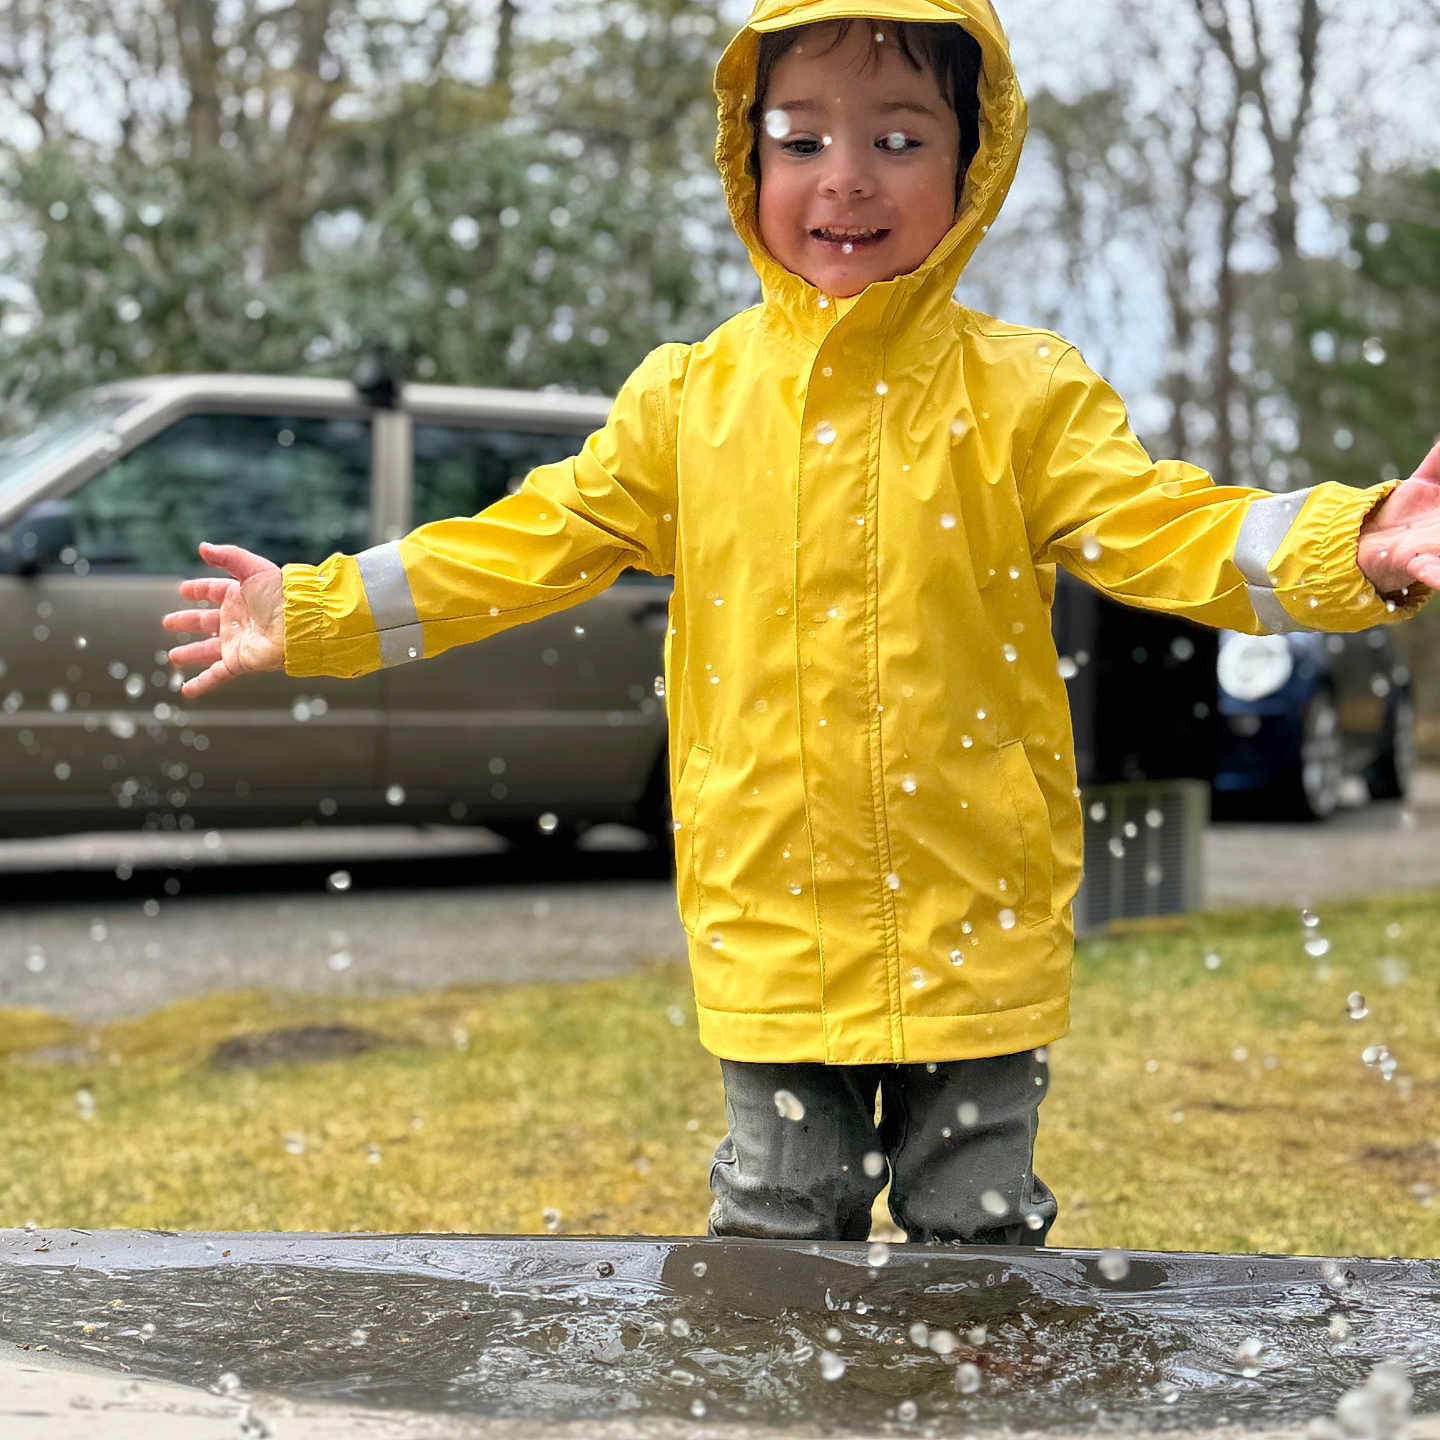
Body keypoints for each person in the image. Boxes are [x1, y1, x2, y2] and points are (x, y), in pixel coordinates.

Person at [164, 1, 1440, 1246]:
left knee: (976, 1230)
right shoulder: (691, 403)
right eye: (802, 139)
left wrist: (1354, 542)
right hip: (772, 914)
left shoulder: (1023, 396)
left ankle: (976, 1374)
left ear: (971, 164)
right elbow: (524, 545)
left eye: (898, 138)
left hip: (975, 914)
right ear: (749, 158)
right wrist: (317, 609)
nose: (847, 179)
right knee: (778, 1232)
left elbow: (1170, 528)